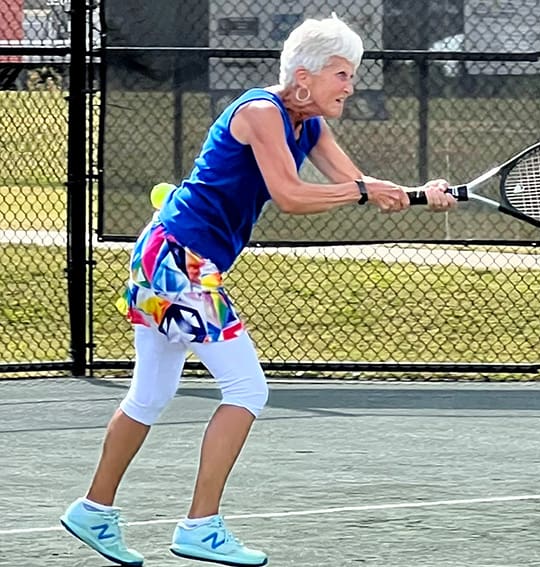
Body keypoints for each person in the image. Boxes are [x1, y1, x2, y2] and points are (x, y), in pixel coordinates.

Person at [60, 14, 456, 567]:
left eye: (351, 74)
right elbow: (294, 195)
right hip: (179, 262)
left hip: (167, 258)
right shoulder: (260, 112)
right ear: (303, 77)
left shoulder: (309, 123)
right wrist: (366, 191)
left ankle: (93, 510)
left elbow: (358, 186)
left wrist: (418, 194)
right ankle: (201, 526)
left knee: (150, 396)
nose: (350, 85)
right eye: (341, 74)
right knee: (247, 390)